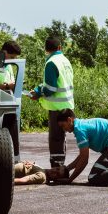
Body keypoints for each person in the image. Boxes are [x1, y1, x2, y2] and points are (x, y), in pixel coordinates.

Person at [28, 36, 75, 166]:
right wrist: (39, 88)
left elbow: (50, 89)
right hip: (68, 105)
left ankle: (56, 168)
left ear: (46, 49)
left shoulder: (51, 62)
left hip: (56, 107)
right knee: (62, 138)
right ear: (59, 47)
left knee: (55, 138)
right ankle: (61, 166)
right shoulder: (65, 61)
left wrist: (37, 93)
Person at [56, 109, 108, 187]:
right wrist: (67, 168)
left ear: (69, 120)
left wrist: (70, 179)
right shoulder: (80, 124)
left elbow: (84, 160)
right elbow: (82, 156)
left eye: (63, 125)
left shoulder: (80, 130)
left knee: (94, 177)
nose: (63, 129)